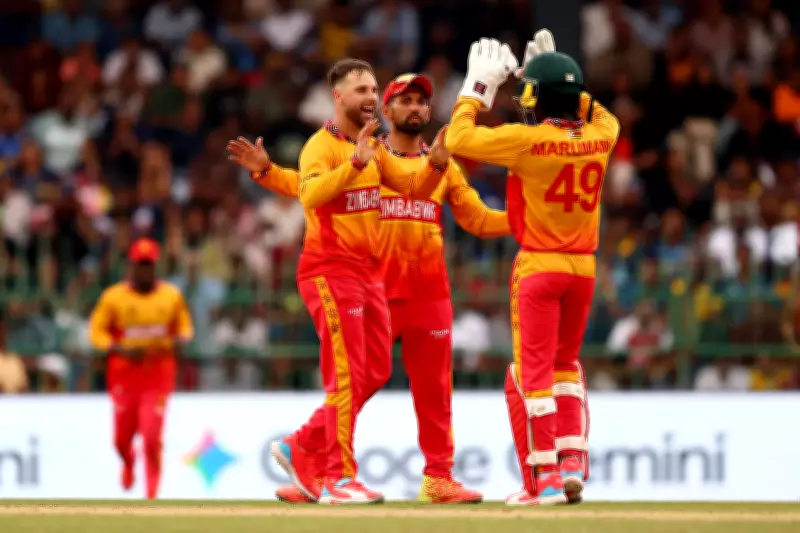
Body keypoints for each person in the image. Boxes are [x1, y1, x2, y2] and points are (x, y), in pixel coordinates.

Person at [230, 73, 509, 504]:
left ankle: (436, 477)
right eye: (404, 100)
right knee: (353, 381)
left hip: (427, 292)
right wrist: (268, 173)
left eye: (421, 102)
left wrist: (527, 221)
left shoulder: (438, 163)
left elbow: (477, 219)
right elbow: (309, 186)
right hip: (373, 283)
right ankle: (327, 469)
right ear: (388, 111)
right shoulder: (367, 153)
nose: (414, 108)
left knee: (432, 391)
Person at [444, 32, 620, 506]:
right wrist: (558, 76)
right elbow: (602, 113)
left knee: (532, 373)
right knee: (566, 365)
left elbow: (458, 138)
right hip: (583, 268)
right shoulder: (602, 136)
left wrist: (478, 86)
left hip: (539, 265)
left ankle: (544, 476)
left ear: (538, 99)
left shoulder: (527, 140)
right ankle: (572, 461)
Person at [88, 238, 194, 499]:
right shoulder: (114, 297)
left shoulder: (171, 296)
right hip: (124, 374)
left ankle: (151, 495)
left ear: (155, 266)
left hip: (157, 373)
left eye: (149, 265)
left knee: (151, 436)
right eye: (140, 265)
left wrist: (179, 341)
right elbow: (96, 332)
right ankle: (128, 460)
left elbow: (185, 328)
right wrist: (118, 348)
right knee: (121, 440)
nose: (145, 270)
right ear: (131, 266)